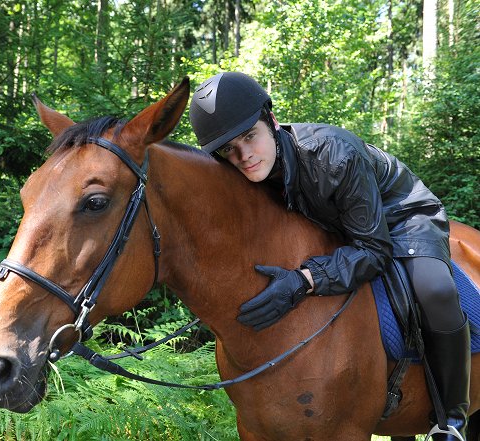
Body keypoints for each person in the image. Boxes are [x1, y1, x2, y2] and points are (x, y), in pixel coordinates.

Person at [188, 71, 470, 441]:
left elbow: (373, 249)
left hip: (400, 213)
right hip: (339, 219)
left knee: (436, 291)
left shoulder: (334, 153)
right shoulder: (246, 171)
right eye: (228, 149)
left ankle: (452, 417)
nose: (243, 156)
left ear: (272, 121)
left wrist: (305, 280)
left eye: (249, 136)